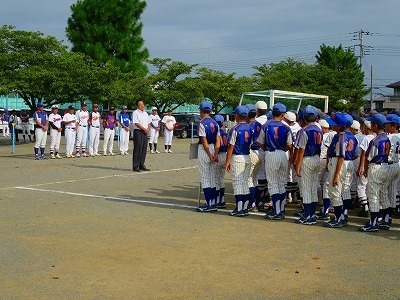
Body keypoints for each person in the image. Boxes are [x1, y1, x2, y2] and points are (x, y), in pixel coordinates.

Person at [257, 103, 293, 220]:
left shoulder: (266, 125)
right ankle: (281, 209)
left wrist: (267, 150)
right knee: (282, 183)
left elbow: (260, 143)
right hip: (283, 154)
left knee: (273, 184)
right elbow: (289, 145)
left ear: (272, 113)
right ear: (283, 114)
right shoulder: (286, 127)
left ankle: (277, 211)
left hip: (271, 153)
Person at [324, 112, 358, 228]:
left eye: (333, 124)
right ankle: (344, 215)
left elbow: (341, 156)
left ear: (339, 126)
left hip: (340, 163)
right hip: (349, 163)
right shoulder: (352, 136)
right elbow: (355, 154)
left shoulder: (341, 137)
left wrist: (336, 175)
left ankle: (338, 219)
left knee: (335, 191)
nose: (331, 125)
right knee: (345, 191)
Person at [359, 113, 391, 232]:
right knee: (383, 194)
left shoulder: (375, 140)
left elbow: (368, 158)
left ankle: (373, 223)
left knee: (373, 196)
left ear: (376, 125)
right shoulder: (386, 138)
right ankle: (386, 220)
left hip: (376, 167)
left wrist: (366, 170)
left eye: (372, 123)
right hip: (385, 166)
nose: (371, 125)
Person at [293, 106, 323, 225]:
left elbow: (301, 149)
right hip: (316, 158)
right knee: (313, 188)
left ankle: (307, 215)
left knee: (306, 188)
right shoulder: (318, 129)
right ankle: (312, 215)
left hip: (307, 159)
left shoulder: (304, 130)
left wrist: (298, 165)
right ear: (316, 117)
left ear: (304, 118)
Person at [226, 105, 252, 217]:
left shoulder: (235, 129)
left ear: (237, 115)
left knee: (237, 183)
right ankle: (245, 207)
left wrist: (227, 161)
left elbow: (231, 146)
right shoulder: (249, 128)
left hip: (238, 157)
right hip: (247, 156)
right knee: (245, 182)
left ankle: (240, 208)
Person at [196, 101, 220, 212]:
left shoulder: (201, 122)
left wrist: (209, 155)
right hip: (213, 147)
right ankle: (214, 203)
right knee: (213, 178)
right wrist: (215, 154)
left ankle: (209, 204)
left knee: (205, 178)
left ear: (201, 110)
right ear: (210, 111)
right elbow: (218, 141)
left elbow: (204, 141)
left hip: (204, 150)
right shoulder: (215, 123)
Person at [381, 114, 400, 229]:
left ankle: (386, 217)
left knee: (383, 190)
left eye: (388, 124)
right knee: (392, 191)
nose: (386, 126)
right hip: (398, 164)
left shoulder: (390, 137)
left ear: (393, 126)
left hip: (390, 165)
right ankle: (388, 217)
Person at [316, 119, 336, 220]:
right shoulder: (335, 134)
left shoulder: (325, 135)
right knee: (326, 183)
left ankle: (321, 202)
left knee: (319, 182)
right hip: (330, 162)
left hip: (323, 160)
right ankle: (329, 205)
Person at [246, 103, 263, 212]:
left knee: (249, 180)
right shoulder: (259, 124)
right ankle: (259, 201)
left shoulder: (247, 126)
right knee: (254, 179)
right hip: (260, 152)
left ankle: (252, 204)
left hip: (251, 152)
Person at [356, 120, 375, 217]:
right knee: (368, 187)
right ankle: (369, 206)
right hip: (373, 165)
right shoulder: (375, 137)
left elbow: (363, 154)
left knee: (361, 186)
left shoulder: (366, 138)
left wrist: (360, 167)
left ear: (367, 128)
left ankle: (365, 207)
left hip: (365, 164)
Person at [214, 114, 228, 209]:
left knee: (216, 179)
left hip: (218, 155)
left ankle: (217, 200)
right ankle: (222, 200)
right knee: (221, 179)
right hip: (225, 155)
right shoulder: (225, 133)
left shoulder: (216, 133)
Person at [132, 100, 150, 172]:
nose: (142, 106)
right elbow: (136, 123)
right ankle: (135, 165)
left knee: (144, 148)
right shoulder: (135, 113)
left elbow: (148, 122)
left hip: (145, 132)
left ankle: (141, 164)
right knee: (138, 148)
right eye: (140, 105)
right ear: (137, 106)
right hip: (138, 131)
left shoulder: (145, 113)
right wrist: (143, 129)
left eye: (143, 104)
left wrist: (147, 129)